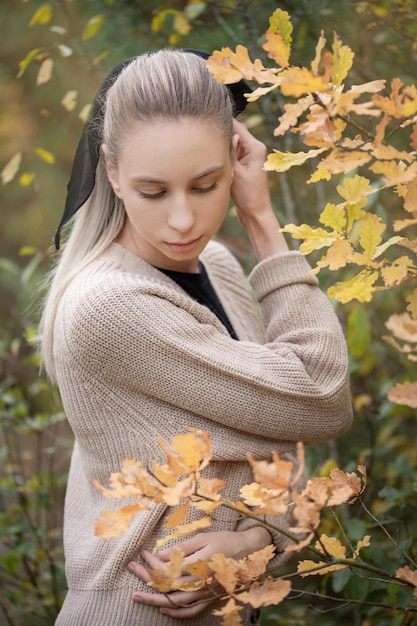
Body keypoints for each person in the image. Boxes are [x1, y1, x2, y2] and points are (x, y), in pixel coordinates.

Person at [39, 48, 353, 625]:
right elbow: (322, 395)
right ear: (110, 170)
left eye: (206, 184)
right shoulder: (109, 309)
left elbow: (284, 444)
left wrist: (255, 543)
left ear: (236, 161)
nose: (182, 221)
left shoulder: (218, 266)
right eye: (153, 192)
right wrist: (262, 223)